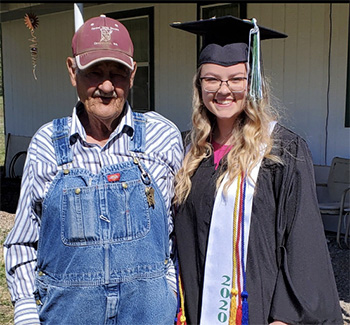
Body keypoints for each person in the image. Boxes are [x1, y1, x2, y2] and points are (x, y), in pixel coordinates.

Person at [4, 15, 183, 324]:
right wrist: (27, 314)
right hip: (67, 315)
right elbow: (22, 242)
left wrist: (169, 290)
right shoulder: (47, 143)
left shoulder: (162, 137)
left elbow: (180, 232)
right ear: (73, 71)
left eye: (117, 72)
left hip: (149, 315)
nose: (106, 85)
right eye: (94, 72)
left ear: (133, 73)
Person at [172, 16, 343, 325]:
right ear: (200, 85)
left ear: (253, 84)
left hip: (258, 313)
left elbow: (303, 245)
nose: (224, 90)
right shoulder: (188, 151)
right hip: (194, 311)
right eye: (212, 79)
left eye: (236, 78)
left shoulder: (282, 150)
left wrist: (286, 318)